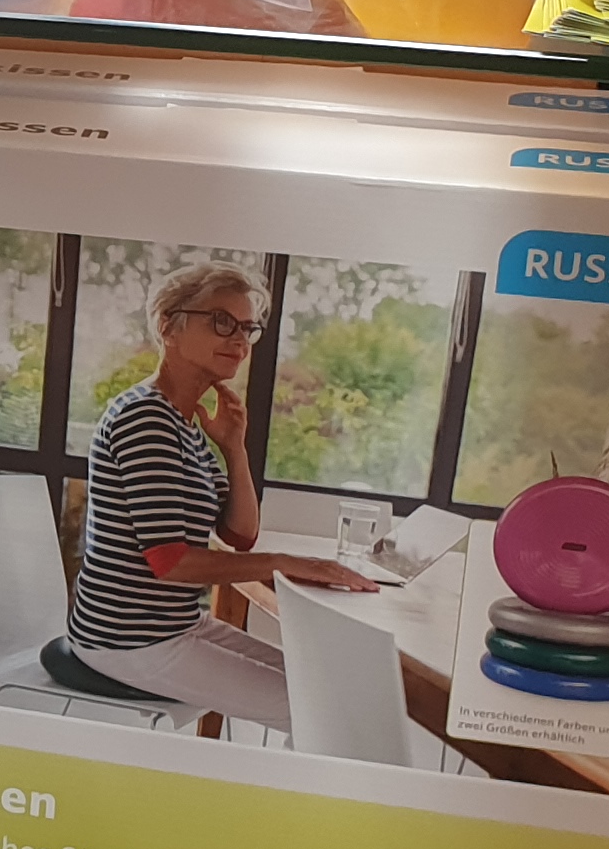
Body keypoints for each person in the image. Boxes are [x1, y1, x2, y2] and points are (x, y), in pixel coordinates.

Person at [64, 260, 378, 728]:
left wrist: (234, 448)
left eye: (247, 328)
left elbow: (240, 534)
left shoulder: (186, 424)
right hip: (126, 639)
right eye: (221, 322)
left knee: (327, 689)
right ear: (168, 327)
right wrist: (288, 563)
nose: (239, 340)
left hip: (176, 625)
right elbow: (172, 563)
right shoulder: (144, 418)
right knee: (324, 713)